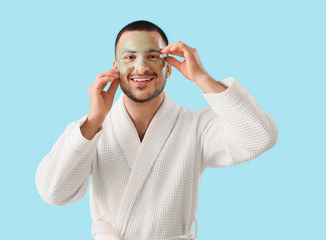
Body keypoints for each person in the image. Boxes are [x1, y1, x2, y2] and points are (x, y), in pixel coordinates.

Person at [35, 20, 278, 240]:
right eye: (129, 57)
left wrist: (202, 78)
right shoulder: (90, 130)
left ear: (169, 67)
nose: (141, 68)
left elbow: (260, 137)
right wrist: (94, 121)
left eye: (152, 56)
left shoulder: (195, 127)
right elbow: (53, 193)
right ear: (115, 67)